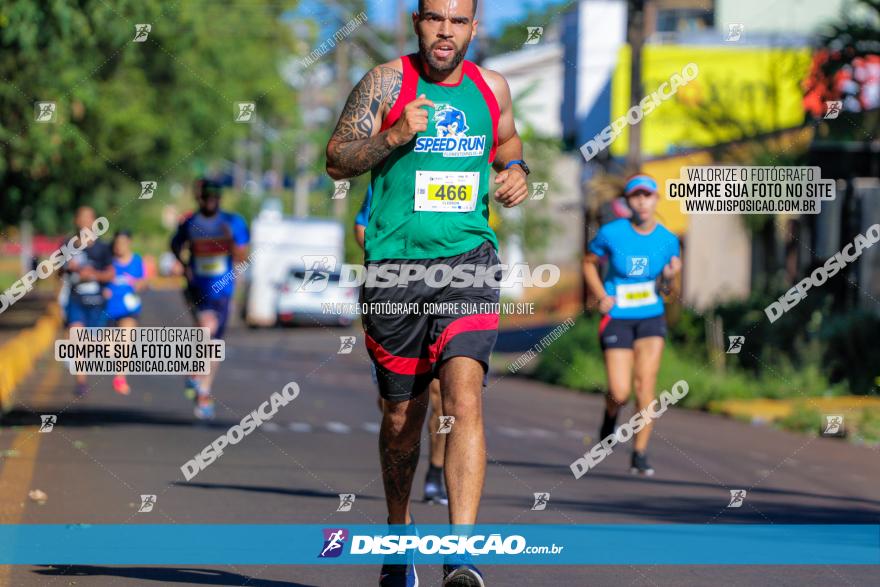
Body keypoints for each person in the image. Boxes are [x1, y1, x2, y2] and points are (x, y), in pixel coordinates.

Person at [326, 0, 529, 584]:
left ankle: (460, 554)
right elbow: (336, 160)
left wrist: (520, 174)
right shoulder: (386, 81)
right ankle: (398, 534)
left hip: (468, 260)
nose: (446, 32)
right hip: (394, 268)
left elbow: (509, 149)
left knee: (465, 397)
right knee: (401, 419)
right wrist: (393, 134)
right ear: (417, 22)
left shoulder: (492, 88)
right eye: (435, 18)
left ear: (473, 27)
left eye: (459, 21)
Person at [354, 186, 449, 506]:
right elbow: (361, 227)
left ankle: (435, 475)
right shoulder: (388, 178)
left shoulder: (454, 173)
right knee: (395, 407)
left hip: (445, 290)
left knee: (440, 393)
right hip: (393, 290)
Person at [583, 173, 682, 476]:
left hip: (650, 316)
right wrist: (600, 295)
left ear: (656, 200)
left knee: (645, 386)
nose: (642, 201)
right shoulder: (611, 233)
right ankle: (610, 418)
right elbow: (588, 262)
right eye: (636, 196)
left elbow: (669, 291)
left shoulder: (668, 240)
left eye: (647, 195)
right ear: (627, 202)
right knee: (620, 391)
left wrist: (669, 277)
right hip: (618, 318)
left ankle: (639, 453)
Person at [170, 178, 250, 420]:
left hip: (223, 289)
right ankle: (195, 372)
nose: (210, 201)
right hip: (198, 287)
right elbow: (174, 245)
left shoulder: (233, 222)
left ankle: (204, 391)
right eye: (206, 197)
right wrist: (185, 266)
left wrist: (230, 241)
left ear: (220, 199)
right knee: (206, 329)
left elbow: (241, 256)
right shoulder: (190, 222)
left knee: (215, 345)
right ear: (199, 198)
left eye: (214, 197)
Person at [62, 206, 115, 398]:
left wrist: (93, 274)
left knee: (91, 341)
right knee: (76, 334)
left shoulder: (103, 247)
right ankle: (81, 382)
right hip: (75, 299)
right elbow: (58, 271)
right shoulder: (68, 245)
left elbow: (111, 273)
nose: (85, 221)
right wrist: (70, 269)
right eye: (82, 217)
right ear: (76, 221)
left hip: (97, 302)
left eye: (89, 218)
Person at [104, 230, 146, 395]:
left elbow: (144, 280)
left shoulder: (136, 261)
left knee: (126, 339)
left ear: (129, 243)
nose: (119, 247)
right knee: (110, 348)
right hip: (108, 309)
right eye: (116, 243)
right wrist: (104, 290)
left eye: (122, 243)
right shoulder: (108, 261)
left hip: (129, 309)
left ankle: (120, 377)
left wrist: (139, 285)